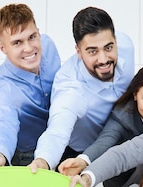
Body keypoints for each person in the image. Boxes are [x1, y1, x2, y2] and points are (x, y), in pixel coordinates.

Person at [29, 7, 134, 171]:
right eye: (92, 51)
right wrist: (43, 161)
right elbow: (57, 131)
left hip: (126, 127)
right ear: (78, 51)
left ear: (116, 41)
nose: (104, 59)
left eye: (108, 47)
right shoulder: (70, 87)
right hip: (85, 150)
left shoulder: (126, 45)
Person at [0, 3, 60, 169]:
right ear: (3, 47)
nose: (28, 48)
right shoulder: (1, 85)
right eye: (17, 43)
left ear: (39, 33)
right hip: (29, 156)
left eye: (32, 37)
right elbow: (2, 119)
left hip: (61, 139)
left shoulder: (47, 45)